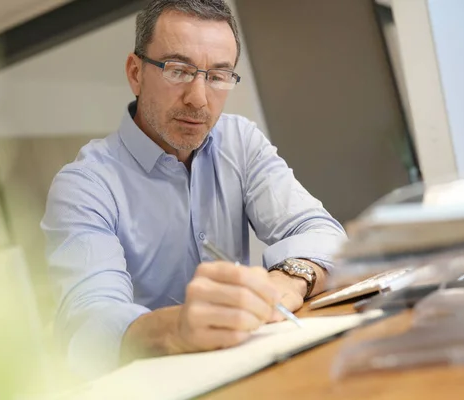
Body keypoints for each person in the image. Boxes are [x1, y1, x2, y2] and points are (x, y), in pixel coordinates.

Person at [41, 0, 346, 378]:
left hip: (253, 370)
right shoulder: (84, 187)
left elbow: (323, 232)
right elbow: (88, 325)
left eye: (218, 76)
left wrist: (289, 277)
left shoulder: (240, 141)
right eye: (178, 70)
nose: (199, 99)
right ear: (136, 73)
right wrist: (176, 329)